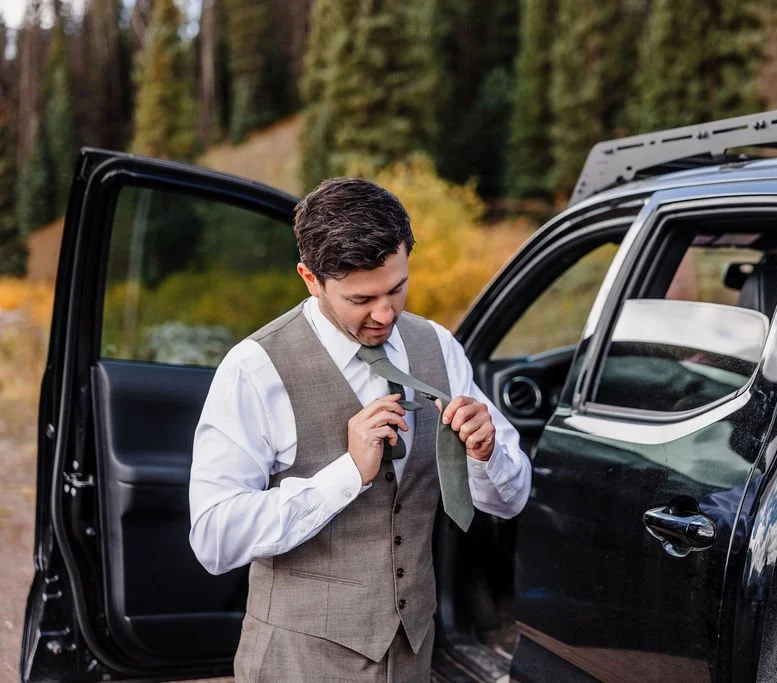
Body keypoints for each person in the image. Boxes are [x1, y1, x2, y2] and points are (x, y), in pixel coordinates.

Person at [187, 178, 532, 682]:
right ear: (310, 278)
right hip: (297, 663)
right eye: (361, 298)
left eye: (397, 288)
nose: (385, 312)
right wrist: (347, 473)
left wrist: (486, 453)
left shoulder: (438, 346)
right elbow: (214, 538)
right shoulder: (255, 368)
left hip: (413, 655)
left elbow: (509, 500)